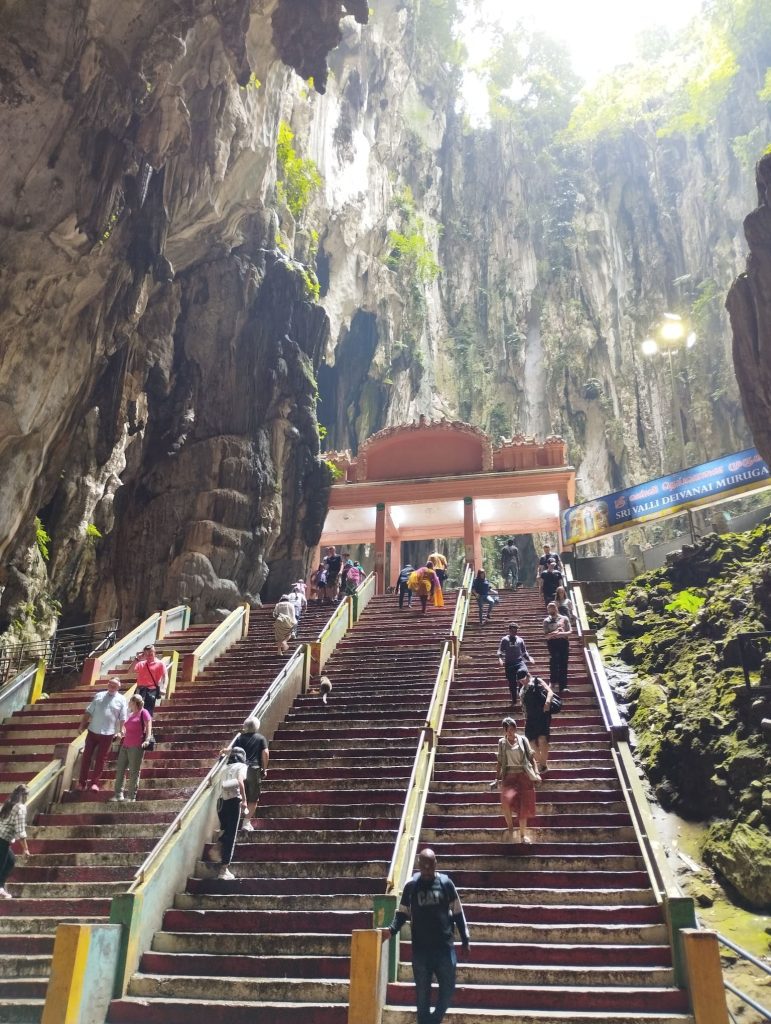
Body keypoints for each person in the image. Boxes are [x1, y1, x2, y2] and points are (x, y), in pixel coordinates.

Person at [387, 848, 470, 1024]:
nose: (426, 869)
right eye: (423, 866)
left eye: (429, 866)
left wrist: (465, 938)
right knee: (422, 996)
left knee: (448, 990)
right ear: (418, 866)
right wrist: (392, 930)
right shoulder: (411, 886)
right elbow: (402, 913)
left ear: (435, 864)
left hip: (444, 950)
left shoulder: (446, 884)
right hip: (421, 952)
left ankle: (433, 1021)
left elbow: (457, 912)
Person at [77, 678, 127, 791]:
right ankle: (81, 783)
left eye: (114, 685)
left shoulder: (121, 699)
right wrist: (81, 725)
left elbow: (123, 718)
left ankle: (95, 783)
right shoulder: (99, 695)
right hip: (93, 731)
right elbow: (89, 711)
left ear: (119, 687)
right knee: (86, 757)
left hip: (108, 733)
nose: (111, 686)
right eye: (110, 684)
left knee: (101, 759)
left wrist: (121, 731)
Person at [495, 717, 538, 843]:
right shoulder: (502, 743)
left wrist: (535, 772)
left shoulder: (523, 740)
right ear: (504, 730)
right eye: (508, 730)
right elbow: (499, 761)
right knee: (505, 800)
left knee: (523, 806)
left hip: (523, 776)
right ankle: (510, 829)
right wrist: (496, 777)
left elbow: (531, 757)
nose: (511, 732)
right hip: (509, 778)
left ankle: (523, 835)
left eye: (513, 729)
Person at [221, 717, 269, 832]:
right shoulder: (261, 738)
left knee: (239, 795)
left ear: (245, 727)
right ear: (257, 727)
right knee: (253, 798)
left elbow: (231, 751)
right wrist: (264, 768)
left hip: (240, 769)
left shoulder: (239, 738)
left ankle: (233, 821)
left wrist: (223, 751)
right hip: (254, 769)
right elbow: (265, 753)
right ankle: (246, 822)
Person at [214, 747, 249, 880]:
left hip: (221, 803)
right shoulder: (241, 766)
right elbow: (240, 781)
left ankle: (219, 845)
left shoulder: (224, 768)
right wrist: (244, 800)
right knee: (232, 835)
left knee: (225, 830)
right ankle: (224, 870)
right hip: (233, 801)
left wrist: (223, 753)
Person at [111, 693, 153, 802]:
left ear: (134, 702)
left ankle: (131, 796)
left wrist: (147, 739)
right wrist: (119, 734)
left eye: (130, 701)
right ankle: (118, 794)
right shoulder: (129, 715)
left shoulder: (144, 713)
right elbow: (124, 729)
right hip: (125, 745)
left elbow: (148, 726)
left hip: (136, 746)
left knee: (134, 771)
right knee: (120, 770)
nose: (128, 703)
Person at [518, 669, 555, 772]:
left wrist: (547, 702)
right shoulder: (521, 691)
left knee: (542, 740)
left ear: (527, 675)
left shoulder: (537, 681)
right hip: (530, 718)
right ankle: (543, 764)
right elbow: (523, 707)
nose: (522, 682)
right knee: (530, 742)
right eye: (520, 681)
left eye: (523, 679)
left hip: (543, 715)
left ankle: (543, 766)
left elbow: (550, 692)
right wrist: (525, 719)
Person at [0, 785, 31, 899]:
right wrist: (26, 849)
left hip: (3, 838)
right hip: (2, 839)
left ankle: (1, 887)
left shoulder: (8, 804)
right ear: (24, 795)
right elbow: (20, 830)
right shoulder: (20, 807)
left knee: (10, 861)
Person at [497, 622, 535, 706]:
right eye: (513, 631)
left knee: (523, 671)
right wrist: (500, 658)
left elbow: (524, 652)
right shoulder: (505, 640)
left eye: (516, 631)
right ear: (509, 631)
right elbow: (500, 650)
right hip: (509, 663)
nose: (515, 633)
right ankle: (514, 700)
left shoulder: (520, 640)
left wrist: (529, 658)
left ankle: (520, 690)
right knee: (512, 683)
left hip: (519, 662)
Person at [544, 601, 572, 694]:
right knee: (554, 662)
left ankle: (563, 686)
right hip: (552, 644)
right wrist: (556, 633)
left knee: (563, 664)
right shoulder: (546, 621)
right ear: (547, 610)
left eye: (553, 607)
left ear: (556, 608)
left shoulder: (564, 618)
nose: (551, 609)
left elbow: (570, 631)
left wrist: (559, 634)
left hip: (564, 643)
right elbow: (546, 636)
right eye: (549, 607)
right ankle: (552, 682)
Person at [132, 643, 168, 716]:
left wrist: (164, 687)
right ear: (144, 655)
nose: (149, 657)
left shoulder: (160, 663)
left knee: (147, 712)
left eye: (151, 654)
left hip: (151, 690)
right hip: (140, 689)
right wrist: (137, 659)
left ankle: (147, 727)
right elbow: (130, 671)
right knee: (135, 711)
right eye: (146, 655)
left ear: (155, 653)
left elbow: (165, 676)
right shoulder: (141, 663)